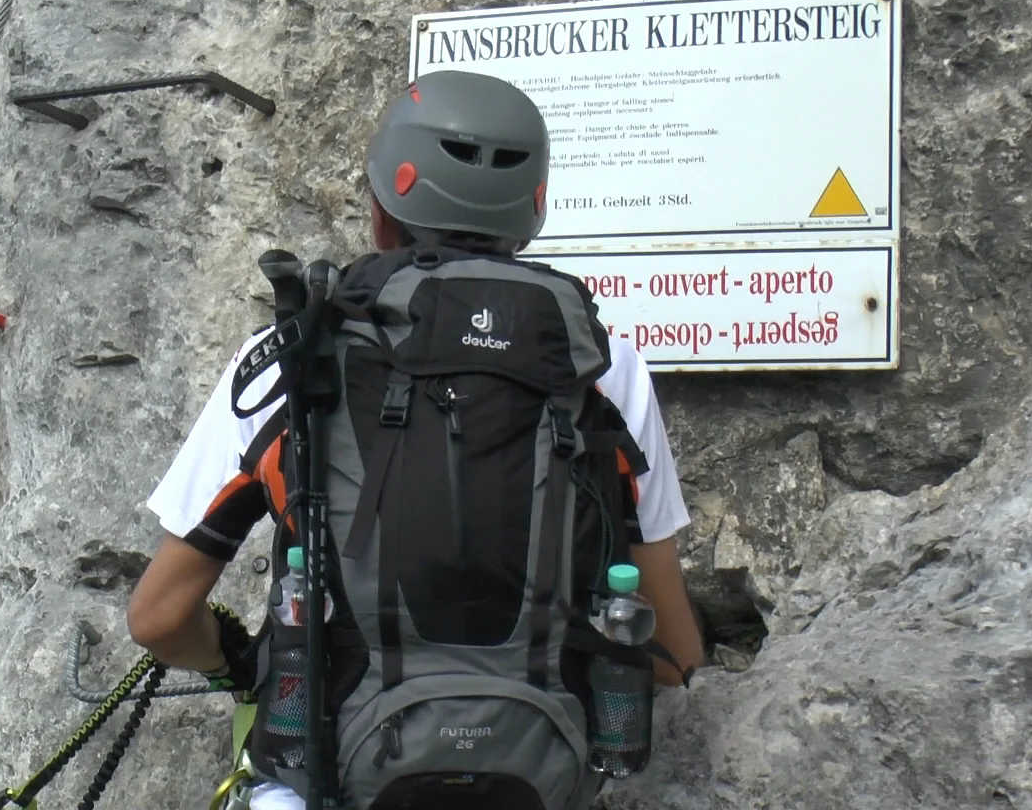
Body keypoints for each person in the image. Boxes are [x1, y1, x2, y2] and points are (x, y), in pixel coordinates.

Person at [127, 69, 704, 809]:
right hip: (540, 775)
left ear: (380, 213)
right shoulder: (603, 367)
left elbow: (160, 619)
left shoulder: (292, 353)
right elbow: (674, 655)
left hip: (332, 775)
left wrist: (244, 665)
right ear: (533, 209)